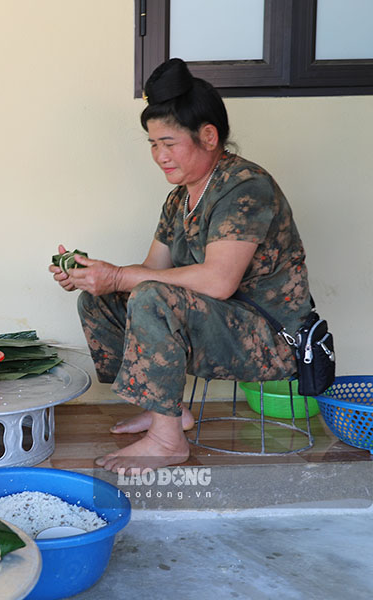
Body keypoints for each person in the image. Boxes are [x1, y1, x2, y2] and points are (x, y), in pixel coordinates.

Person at [50, 58, 311, 474]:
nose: (159, 156)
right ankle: (166, 412)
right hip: (219, 324)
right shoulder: (180, 197)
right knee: (100, 302)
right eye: (153, 144)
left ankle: (168, 441)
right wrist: (94, 276)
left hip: (268, 335)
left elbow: (218, 281)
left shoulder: (245, 185)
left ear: (208, 136)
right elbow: (153, 268)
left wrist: (120, 276)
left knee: (151, 297)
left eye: (169, 143)